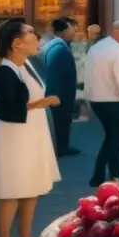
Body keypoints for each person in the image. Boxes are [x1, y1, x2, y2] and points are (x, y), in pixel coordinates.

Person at [0, 21, 61, 237]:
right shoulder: (4, 71)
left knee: (31, 190)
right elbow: (7, 110)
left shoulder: (27, 65)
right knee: (12, 192)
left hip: (32, 134)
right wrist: (42, 103)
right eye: (30, 33)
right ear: (16, 43)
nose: (36, 36)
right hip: (15, 137)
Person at [85, 20, 119, 187]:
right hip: (114, 102)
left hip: (97, 100)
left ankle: (113, 173)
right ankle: (100, 175)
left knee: (112, 137)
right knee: (116, 139)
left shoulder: (96, 48)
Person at [43, 18, 80, 156]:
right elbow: (54, 73)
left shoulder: (55, 46)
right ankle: (60, 148)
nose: (75, 32)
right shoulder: (59, 49)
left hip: (60, 93)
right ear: (64, 30)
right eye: (73, 28)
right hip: (60, 95)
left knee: (62, 121)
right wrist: (54, 95)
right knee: (61, 121)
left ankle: (61, 146)